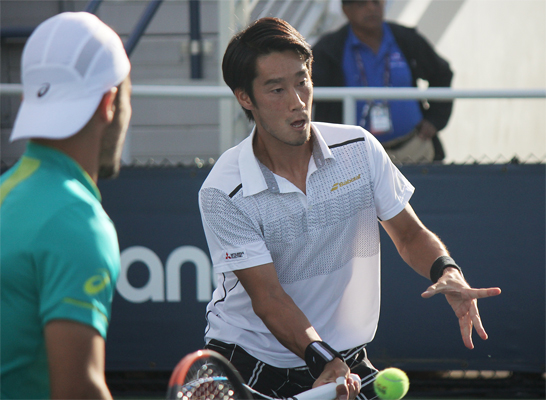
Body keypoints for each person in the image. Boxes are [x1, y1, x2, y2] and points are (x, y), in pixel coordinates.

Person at [198, 17, 500, 400]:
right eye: (276, 89)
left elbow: (408, 235)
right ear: (245, 98)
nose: (296, 101)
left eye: (302, 81)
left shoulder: (359, 149)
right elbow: (268, 298)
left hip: (340, 357)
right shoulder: (223, 190)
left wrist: (447, 270)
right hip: (251, 360)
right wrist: (322, 358)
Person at [0, 12, 132, 400]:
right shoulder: (77, 221)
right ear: (109, 102)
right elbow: (78, 391)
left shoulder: (8, 191)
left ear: (29, 100)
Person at [312, 0, 453, 164]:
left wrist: (435, 120)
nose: (371, 8)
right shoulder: (329, 48)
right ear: (346, 10)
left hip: (414, 149)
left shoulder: (406, 38)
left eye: (376, 2)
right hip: (355, 158)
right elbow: (305, 92)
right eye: (362, 3)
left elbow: (442, 73)